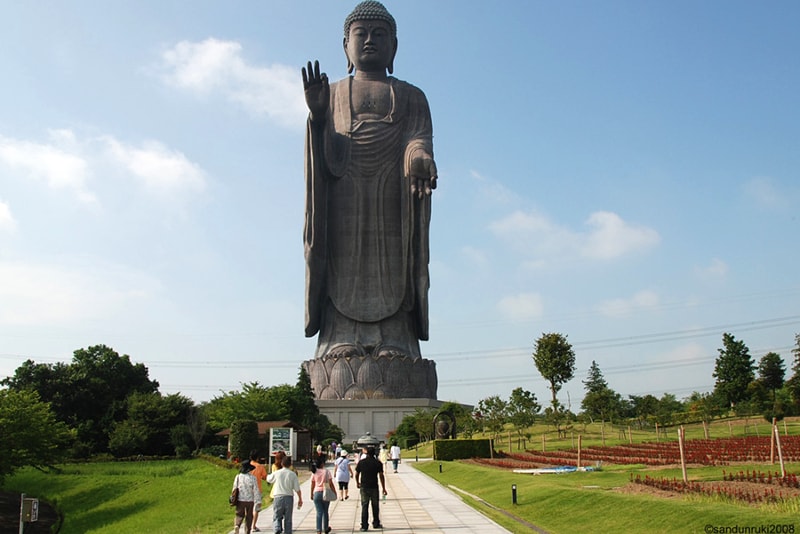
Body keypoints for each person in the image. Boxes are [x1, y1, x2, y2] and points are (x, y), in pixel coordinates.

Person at [301, 1, 438, 368]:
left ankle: (397, 338)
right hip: (344, 197)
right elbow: (325, 155)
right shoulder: (330, 94)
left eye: (380, 34)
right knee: (340, 262)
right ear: (345, 45)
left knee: (395, 262)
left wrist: (419, 156)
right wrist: (317, 116)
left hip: (393, 197)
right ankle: (339, 337)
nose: (370, 41)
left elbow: (418, 137)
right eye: (360, 34)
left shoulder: (413, 96)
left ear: (394, 46)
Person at [267, 456, 303, 534]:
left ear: (282, 463)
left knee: (277, 515)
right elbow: (297, 488)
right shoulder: (292, 474)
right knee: (288, 518)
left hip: (278, 496)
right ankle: (288, 532)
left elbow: (269, 479)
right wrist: (300, 499)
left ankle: (277, 528)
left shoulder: (277, 473)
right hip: (289, 497)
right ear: (290, 464)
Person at [355, 446, 387, 531]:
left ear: (366, 453)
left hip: (364, 486)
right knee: (375, 505)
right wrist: (384, 488)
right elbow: (381, 475)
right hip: (374, 486)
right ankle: (376, 523)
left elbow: (357, 473)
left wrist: (357, 482)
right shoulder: (377, 463)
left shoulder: (361, 462)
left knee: (364, 505)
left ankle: (364, 525)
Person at [232, 460, 261, 534]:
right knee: (249, 517)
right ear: (249, 469)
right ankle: (247, 531)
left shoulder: (238, 477)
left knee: (239, 514)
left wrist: (232, 498)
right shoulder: (253, 478)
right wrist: (258, 501)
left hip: (240, 500)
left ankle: (237, 525)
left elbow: (234, 488)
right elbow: (256, 490)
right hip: (250, 501)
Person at [310, 456, 337, 534]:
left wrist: (311, 493)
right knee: (325, 511)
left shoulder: (314, 472)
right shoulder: (326, 471)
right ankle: (326, 528)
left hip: (317, 492)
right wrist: (334, 492)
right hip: (325, 492)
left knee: (319, 512)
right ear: (322, 464)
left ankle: (318, 529)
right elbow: (331, 483)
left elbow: (312, 483)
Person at [249, 450, 268, 532]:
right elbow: (264, 477)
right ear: (257, 458)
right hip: (257, 489)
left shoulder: (248, 466)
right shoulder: (260, 467)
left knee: (248, 508)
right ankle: (253, 526)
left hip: (248, 490)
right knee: (256, 508)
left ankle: (248, 524)